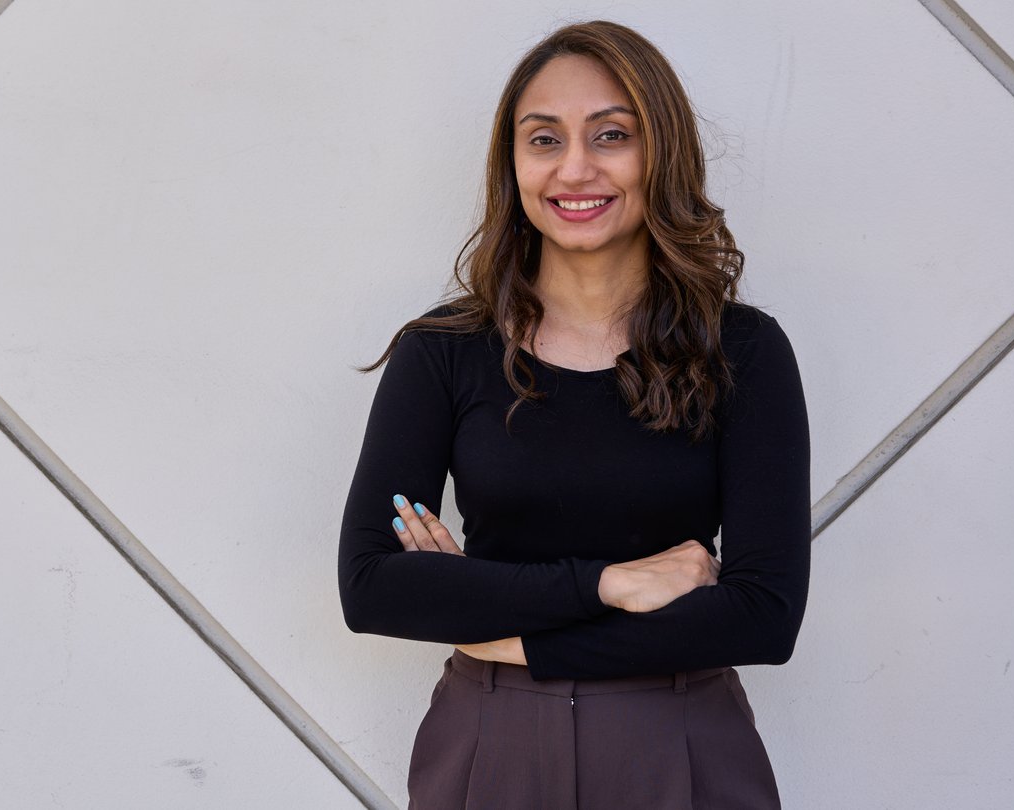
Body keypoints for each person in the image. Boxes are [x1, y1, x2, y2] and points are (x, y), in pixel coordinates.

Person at [336, 20, 810, 810]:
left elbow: (762, 616)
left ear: (661, 153)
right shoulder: (443, 353)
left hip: (683, 743)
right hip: (489, 747)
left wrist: (492, 619)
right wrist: (613, 584)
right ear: (513, 162)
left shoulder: (744, 352)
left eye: (611, 134)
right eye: (544, 139)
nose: (575, 167)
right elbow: (373, 589)